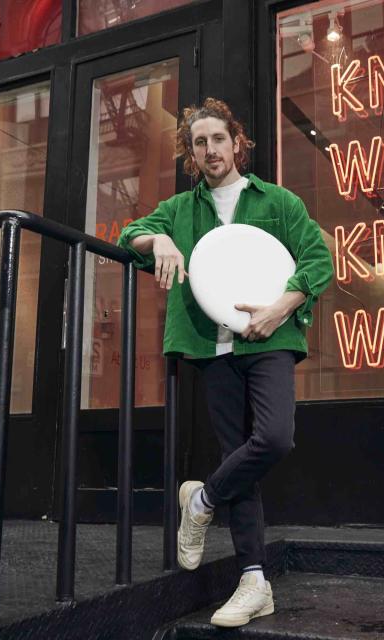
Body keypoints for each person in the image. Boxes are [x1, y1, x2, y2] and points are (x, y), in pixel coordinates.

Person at [116, 97, 333, 628]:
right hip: (211, 350)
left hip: (267, 341)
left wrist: (282, 306)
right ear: (192, 155)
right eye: (199, 143)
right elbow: (128, 237)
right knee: (240, 459)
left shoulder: (276, 202)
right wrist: (160, 237)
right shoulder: (181, 210)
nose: (210, 150)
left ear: (237, 142)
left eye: (218, 139)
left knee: (275, 437)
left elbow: (318, 258)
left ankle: (202, 498)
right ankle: (253, 580)